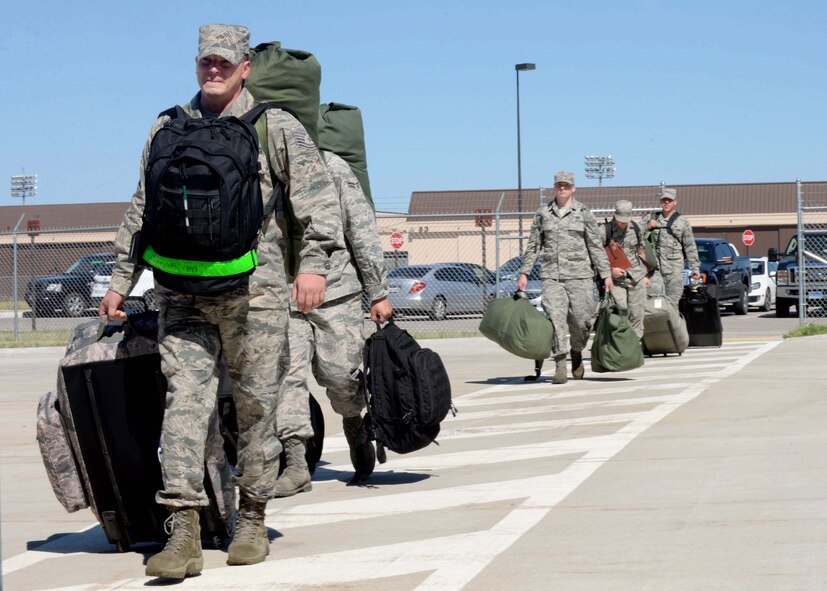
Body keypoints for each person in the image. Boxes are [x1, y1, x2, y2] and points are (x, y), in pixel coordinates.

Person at [99, 24, 345, 579]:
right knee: (185, 403)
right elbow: (142, 208)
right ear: (197, 64)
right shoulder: (167, 126)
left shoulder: (273, 126)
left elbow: (318, 202)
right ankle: (182, 531)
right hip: (180, 290)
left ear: (245, 67)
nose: (214, 70)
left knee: (257, 406)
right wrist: (120, 279)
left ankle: (252, 517)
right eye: (206, 61)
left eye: (224, 62)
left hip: (254, 294)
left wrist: (313, 267)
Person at [274, 150, 392, 496]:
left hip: (335, 291)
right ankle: (295, 460)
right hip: (281, 295)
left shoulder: (331, 166)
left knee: (340, 375)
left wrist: (378, 291)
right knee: (286, 377)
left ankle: (354, 422)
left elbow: (361, 227)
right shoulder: (258, 164)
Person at [517, 171, 613, 384]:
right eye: (559, 185)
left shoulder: (584, 213)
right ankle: (560, 363)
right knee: (555, 320)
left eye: (566, 185)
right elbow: (533, 246)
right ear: (555, 187)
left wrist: (606, 274)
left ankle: (577, 351)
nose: (563, 188)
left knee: (582, 321)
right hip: (552, 277)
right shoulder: (543, 214)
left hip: (581, 277)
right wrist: (524, 272)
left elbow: (595, 246)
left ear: (573, 188)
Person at [598, 200, 647, 340]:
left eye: (625, 221)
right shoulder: (604, 231)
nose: (622, 223)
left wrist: (646, 274)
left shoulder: (636, 228)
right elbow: (596, 256)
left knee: (637, 314)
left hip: (636, 278)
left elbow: (641, 252)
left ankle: (634, 347)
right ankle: (619, 346)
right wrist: (610, 271)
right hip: (616, 280)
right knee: (620, 314)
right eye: (620, 220)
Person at [644, 187, 700, 306]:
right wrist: (647, 227)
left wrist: (695, 269)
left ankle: (672, 324)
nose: (666, 203)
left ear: (675, 202)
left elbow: (690, 246)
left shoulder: (682, 222)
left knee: (672, 303)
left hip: (674, 270)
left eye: (669, 200)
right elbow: (634, 234)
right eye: (664, 200)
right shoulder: (651, 218)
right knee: (654, 301)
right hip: (655, 269)